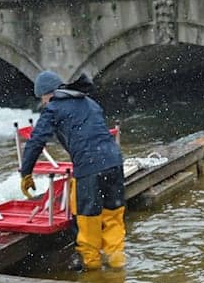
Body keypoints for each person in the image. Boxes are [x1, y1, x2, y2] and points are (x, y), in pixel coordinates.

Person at [20, 71, 126, 271]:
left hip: (88, 168)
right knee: (113, 216)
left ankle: (92, 273)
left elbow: (36, 141)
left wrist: (26, 172)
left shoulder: (53, 108)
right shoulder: (89, 102)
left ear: (47, 94)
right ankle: (117, 265)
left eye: (41, 98)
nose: (42, 102)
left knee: (87, 219)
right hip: (114, 163)